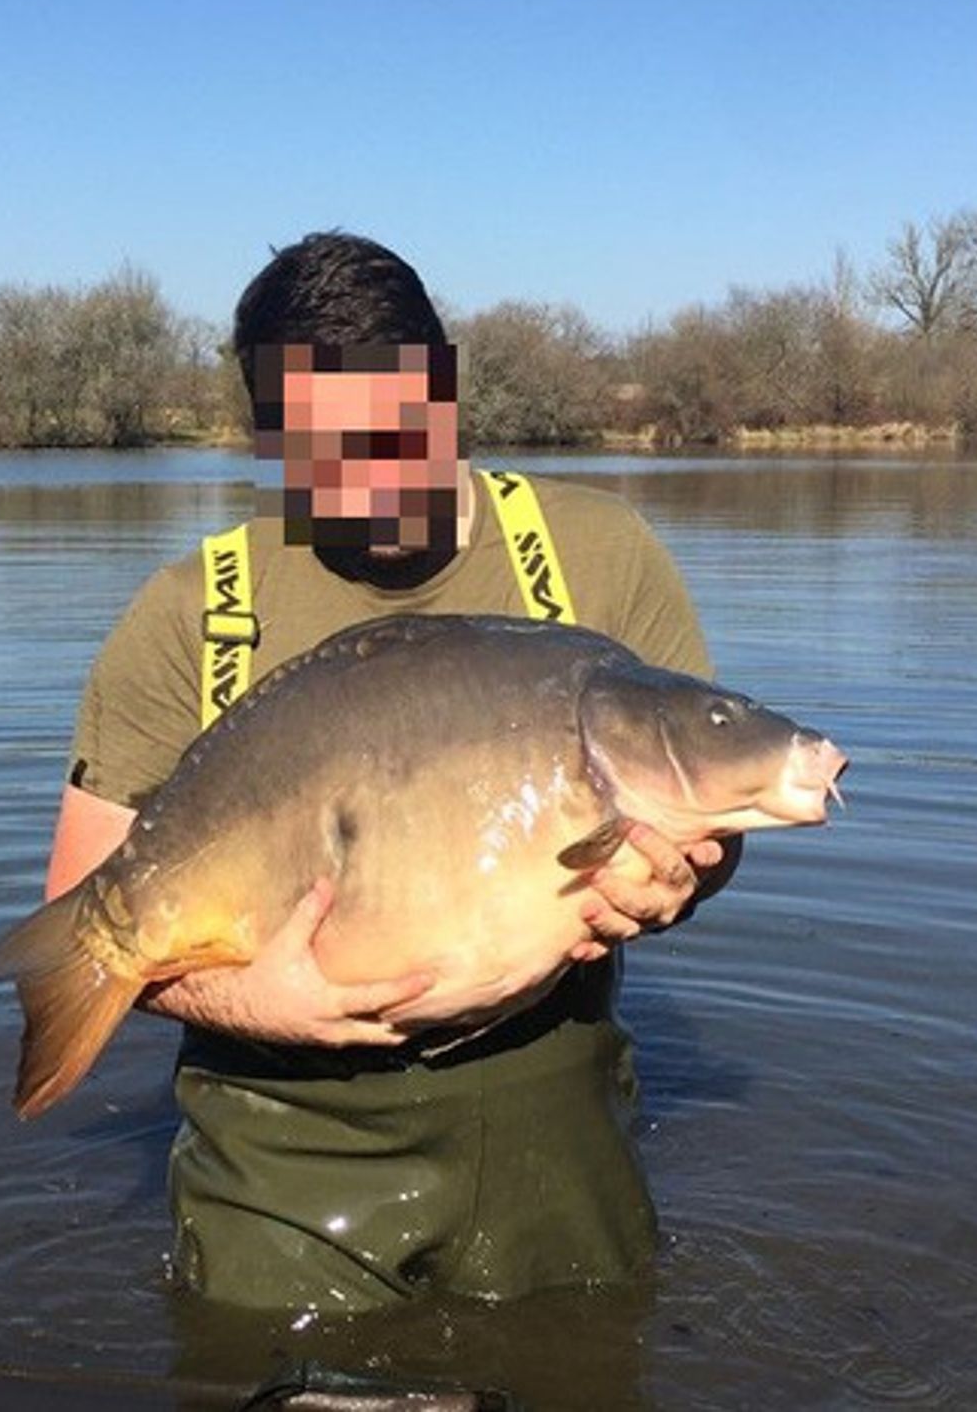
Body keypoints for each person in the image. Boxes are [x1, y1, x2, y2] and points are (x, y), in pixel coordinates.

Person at [44, 232, 741, 1311]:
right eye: (317, 450)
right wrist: (274, 1004)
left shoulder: (602, 558)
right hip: (280, 1153)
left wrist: (690, 876)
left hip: (554, 1131)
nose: (362, 479)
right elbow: (78, 913)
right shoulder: (191, 613)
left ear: (444, 385)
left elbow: (706, 812)